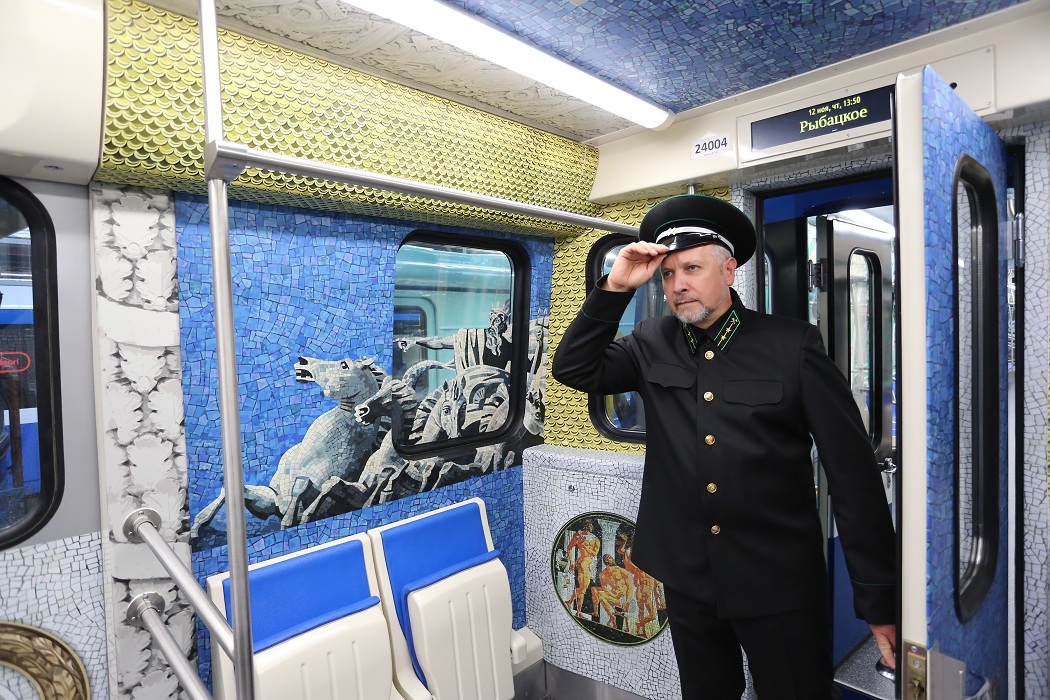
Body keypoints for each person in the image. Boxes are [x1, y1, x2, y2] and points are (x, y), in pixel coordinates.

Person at [551, 194, 896, 700]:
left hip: (777, 579)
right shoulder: (650, 341)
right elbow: (573, 368)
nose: (677, 285)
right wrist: (616, 286)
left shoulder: (792, 345)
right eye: (668, 274)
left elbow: (852, 473)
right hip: (689, 578)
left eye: (691, 268)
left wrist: (879, 599)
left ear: (729, 270)